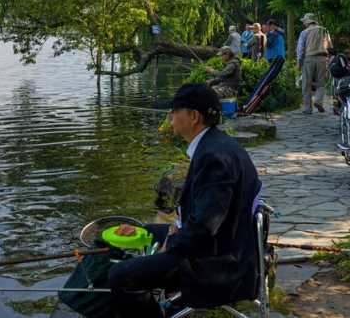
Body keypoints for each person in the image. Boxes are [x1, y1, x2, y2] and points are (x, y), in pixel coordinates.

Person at [108, 83, 262, 317]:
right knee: (146, 231)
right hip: (223, 245)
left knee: (120, 277)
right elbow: (207, 215)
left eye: (174, 110)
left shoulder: (214, 158)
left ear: (193, 117)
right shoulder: (215, 144)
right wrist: (173, 229)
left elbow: (204, 227)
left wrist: (171, 243)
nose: (170, 115)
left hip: (218, 263)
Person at [296, 13, 333, 114]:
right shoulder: (324, 30)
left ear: (308, 21)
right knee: (321, 83)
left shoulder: (304, 32)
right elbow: (329, 46)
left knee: (306, 84)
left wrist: (299, 62)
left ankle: (308, 108)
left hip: (309, 59)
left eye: (304, 21)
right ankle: (318, 101)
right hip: (323, 58)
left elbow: (300, 49)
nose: (303, 23)